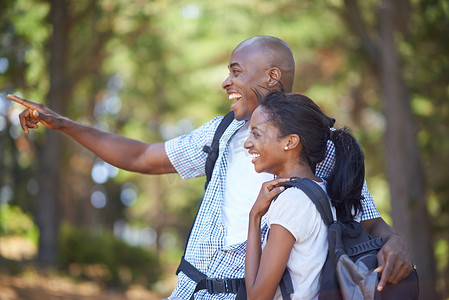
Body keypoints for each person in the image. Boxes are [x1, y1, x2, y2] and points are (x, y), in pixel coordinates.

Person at [7, 35, 412, 299]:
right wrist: (61, 123)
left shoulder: (319, 149)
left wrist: (396, 242)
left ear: (272, 76)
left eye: (236, 71)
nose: (225, 82)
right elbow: (141, 157)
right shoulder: (220, 134)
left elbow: (370, 222)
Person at [244, 91, 364, 299]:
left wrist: (254, 217)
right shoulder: (323, 189)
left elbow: (257, 297)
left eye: (256, 134)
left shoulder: (292, 201)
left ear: (290, 142)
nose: (247, 143)